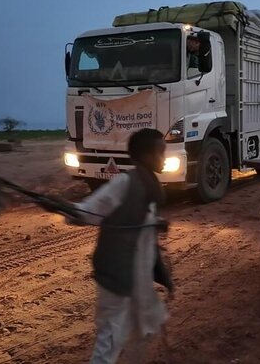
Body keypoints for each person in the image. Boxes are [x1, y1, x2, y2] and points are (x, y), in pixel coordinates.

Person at [67, 128, 173, 364]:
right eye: (160, 153)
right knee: (112, 335)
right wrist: (63, 208)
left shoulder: (149, 186)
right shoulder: (125, 182)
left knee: (141, 326)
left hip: (136, 276)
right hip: (117, 274)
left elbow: (142, 225)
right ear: (145, 156)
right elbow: (90, 211)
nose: (164, 159)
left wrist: (155, 223)